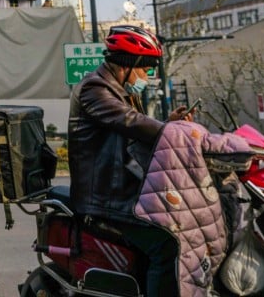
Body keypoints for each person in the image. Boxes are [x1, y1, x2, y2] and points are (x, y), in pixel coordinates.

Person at [68, 25, 192, 297]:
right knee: (169, 245)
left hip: (125, 190)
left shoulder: (120, 90)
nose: (147, 76)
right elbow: (130, 121)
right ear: (130, 63)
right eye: (145, 69)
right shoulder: (94, 88)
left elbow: (137, 127)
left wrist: (169, 124)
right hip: (105, 196)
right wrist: (177, 132)